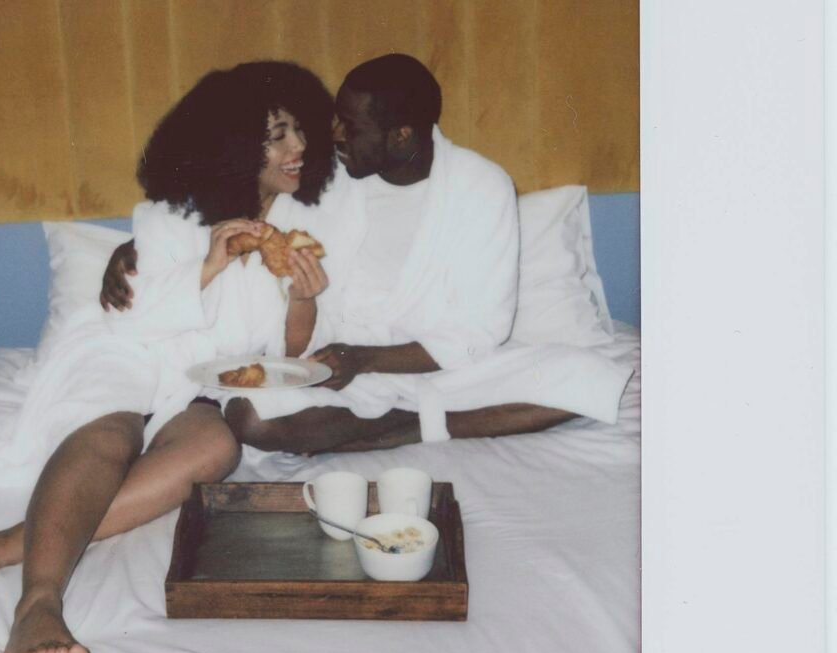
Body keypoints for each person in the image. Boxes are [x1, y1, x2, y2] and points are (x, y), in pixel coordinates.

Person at [0, 61, 336, 653]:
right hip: (121, 350)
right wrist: (209, 264)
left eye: (300, 131)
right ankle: (38, 602)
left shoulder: (302, 224)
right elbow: (135, 318)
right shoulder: (170, 216)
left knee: (215, 451)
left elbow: (287, 353)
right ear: (234, 141)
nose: (297, 147)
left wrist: (304, 297)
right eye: (277, 133)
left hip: (198, 384)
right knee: (112, 433)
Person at [102, 54, 633, 456]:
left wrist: (369, 359)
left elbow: (482, 329)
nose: (329, 137)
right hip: (331, 367)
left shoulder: (480, 187)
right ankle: (431, 421)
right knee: (250, 417)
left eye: (350, 128)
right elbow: (239, 203)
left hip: (435, 365)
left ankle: (414, 424)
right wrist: (136, 245)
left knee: (584, 375)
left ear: (402, 136)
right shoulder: (333, 179)